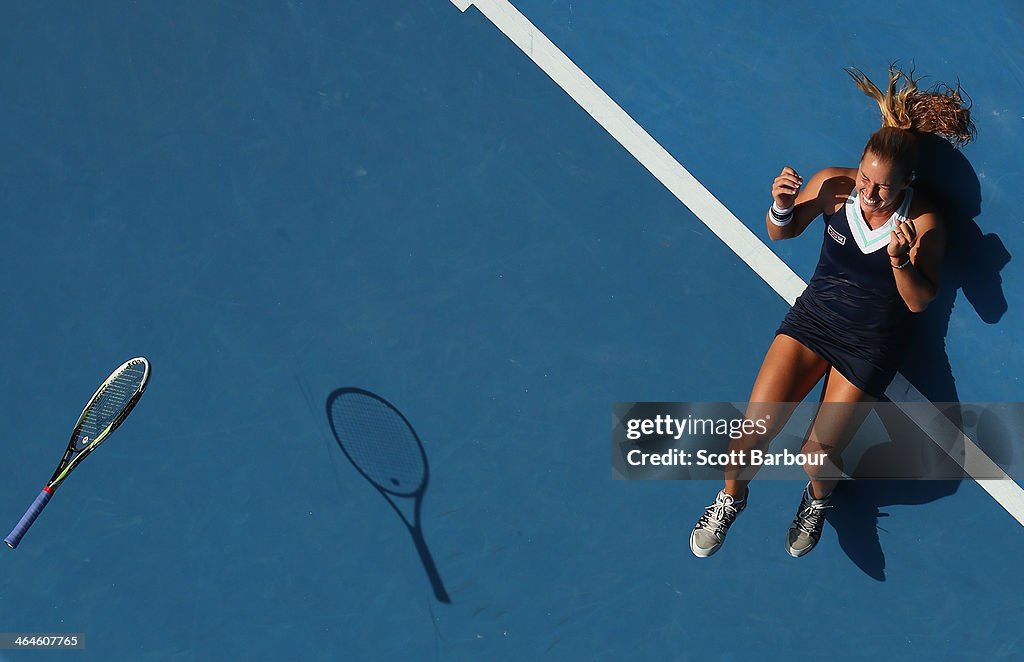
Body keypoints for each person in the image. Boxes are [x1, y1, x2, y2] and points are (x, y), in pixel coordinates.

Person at [689, 65, 975, 558]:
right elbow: (783, 230)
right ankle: (731, 498)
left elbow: (917, 300)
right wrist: (780, 205)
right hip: (813, 321)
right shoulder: (832, 186)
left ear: (906, 182)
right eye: (865, 176)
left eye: (883, 186)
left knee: (817, 456)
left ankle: (817, 501)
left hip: (870, 344)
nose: (868, 192)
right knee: (752, 432)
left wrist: (900, 261)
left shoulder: (924, 222)